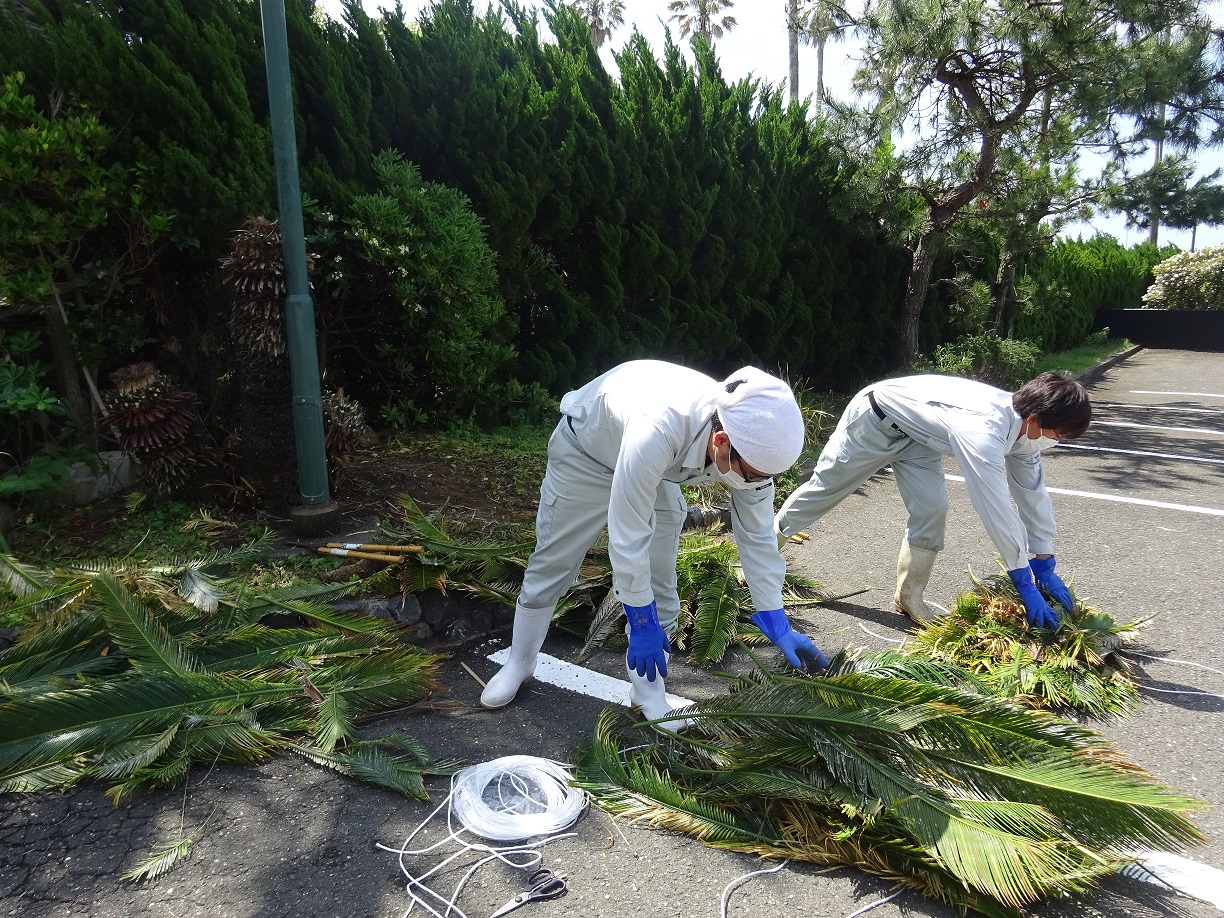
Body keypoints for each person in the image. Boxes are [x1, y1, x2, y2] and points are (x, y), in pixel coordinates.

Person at [480, 360, 827, 729]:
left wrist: (774, 617)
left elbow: (757, 536)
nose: (759, 484)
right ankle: (520, 661)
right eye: (755, 476)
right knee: (553, 562)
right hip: (588, 454)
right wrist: (640, 620)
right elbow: (627, 534)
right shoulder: (659, 426)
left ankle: (648, 693)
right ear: (721, 441)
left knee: (661, 574)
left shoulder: (749, 442)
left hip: (659, 465)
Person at [774, 372, 1091, 630]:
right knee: (823, 492)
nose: (1057, 441)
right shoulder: (984, 431)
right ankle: (763, 550)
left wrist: (1044, 559)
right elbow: (995, 507)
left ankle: (908, 596)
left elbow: (1031, 493)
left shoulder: (1025, 430)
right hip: (875, 420)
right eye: (1059, 434)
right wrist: (1023, 577)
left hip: (918, 435)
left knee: (932, 507)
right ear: (1035, 419)